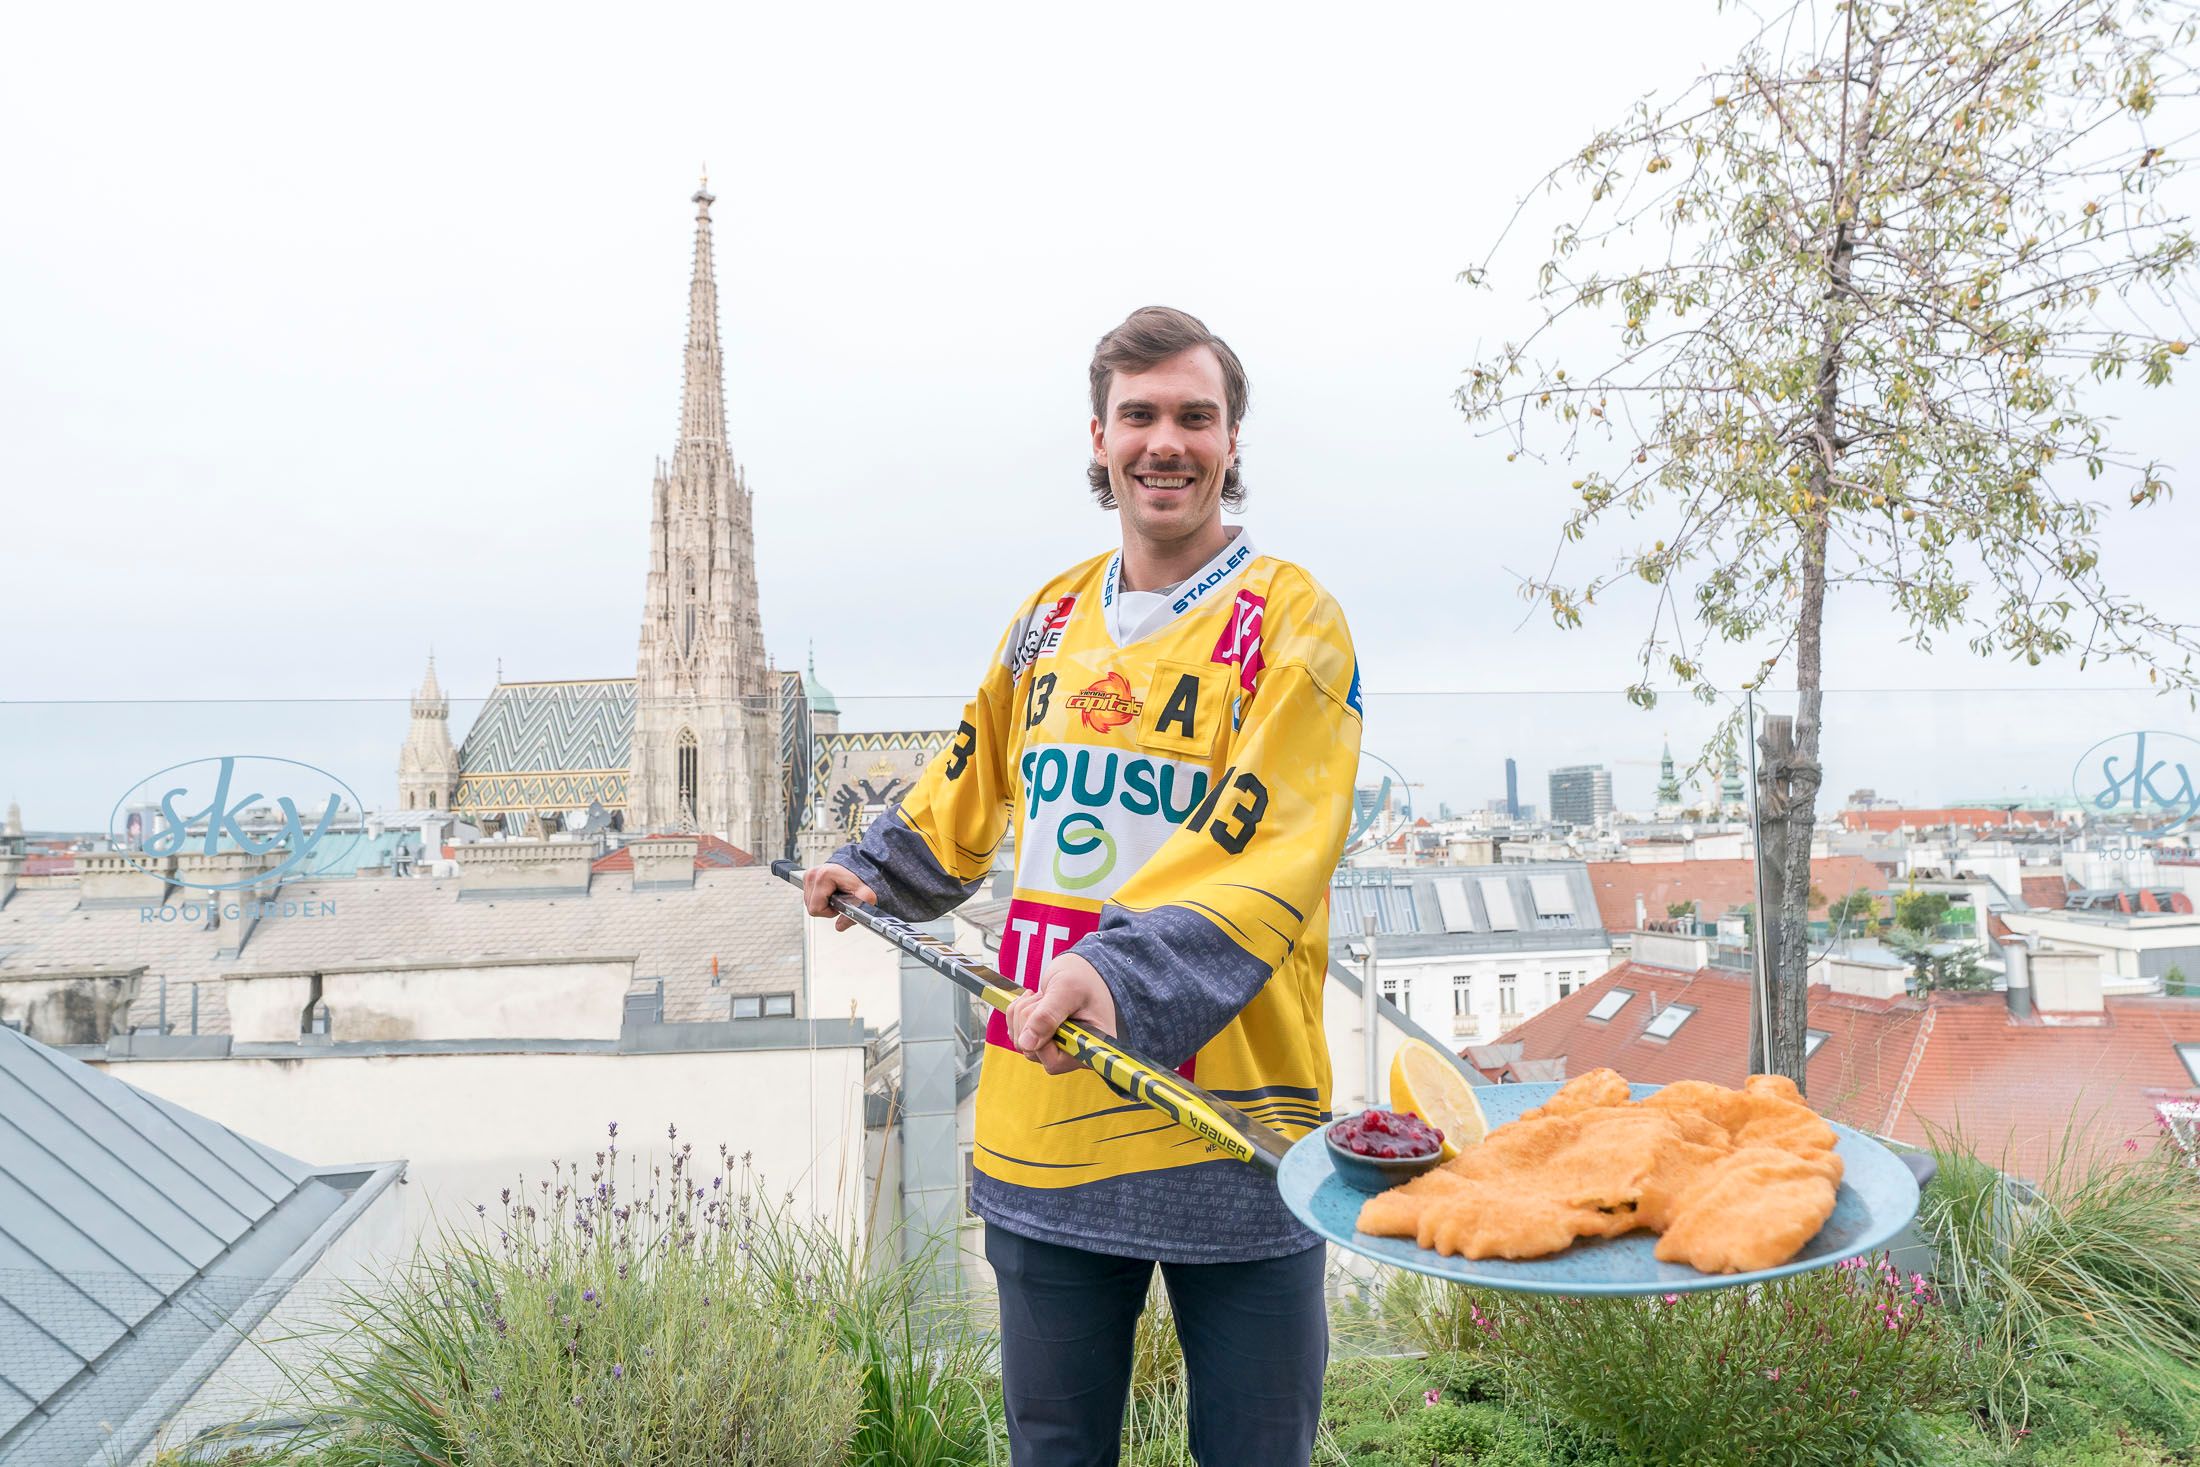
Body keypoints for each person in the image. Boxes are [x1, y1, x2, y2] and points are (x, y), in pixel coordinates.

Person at [804, 305, 1362, 1467]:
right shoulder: (1046, 620)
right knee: (1053, 1451)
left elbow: (1271, 847)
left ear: (1233, 438)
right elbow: (968, 781)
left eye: (1193, 417)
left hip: (1237, 1130)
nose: (1167, 441)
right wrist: (874, 869)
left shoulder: (1294, 621)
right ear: (1099, 439)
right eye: (1140, 416)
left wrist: (1112, 971)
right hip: (1044, 1125)